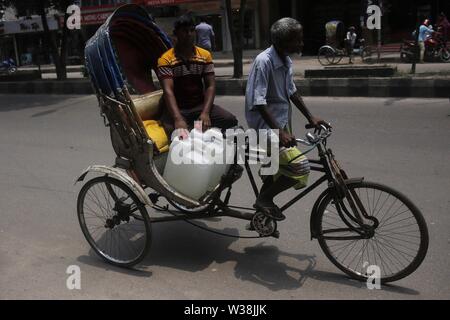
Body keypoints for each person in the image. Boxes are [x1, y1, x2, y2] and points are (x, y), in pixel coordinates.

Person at [245, 17, 330, 221]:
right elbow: (258, 101)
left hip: (279, 123)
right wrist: (279, 132)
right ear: (282, 41)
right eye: (297, 40)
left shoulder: (286, 60)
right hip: (264, 128)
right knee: (300, 165)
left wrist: (311, 116)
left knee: (275, 170)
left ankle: (260, 217)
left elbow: (292, 92)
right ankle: (264, 200)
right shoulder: (264, 61)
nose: (301, 44)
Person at [157, 14, 237, 139]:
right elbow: (168, 91)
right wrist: (177, 118)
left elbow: (210, 86)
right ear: (176, 34)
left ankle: (203, 138)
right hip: (178, 108)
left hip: (199, 106)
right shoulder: (165, 59)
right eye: (184, 31)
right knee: (172, 132)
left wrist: (205, 113)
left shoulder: (205, 55)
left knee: (230, 119)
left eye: (192, 30)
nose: (189, 34)